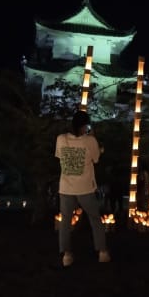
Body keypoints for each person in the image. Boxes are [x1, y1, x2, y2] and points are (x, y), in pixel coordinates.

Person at [55, 110, 110, 267]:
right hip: (85, 187)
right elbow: (96, 159)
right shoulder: (90, 140)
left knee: (65, 222)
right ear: (86, 125)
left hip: (66, 188)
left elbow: (60, 157)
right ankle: (102, 252)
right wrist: (93, 139)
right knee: (95, 219)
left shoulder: (61, 139)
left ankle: (66, 255)